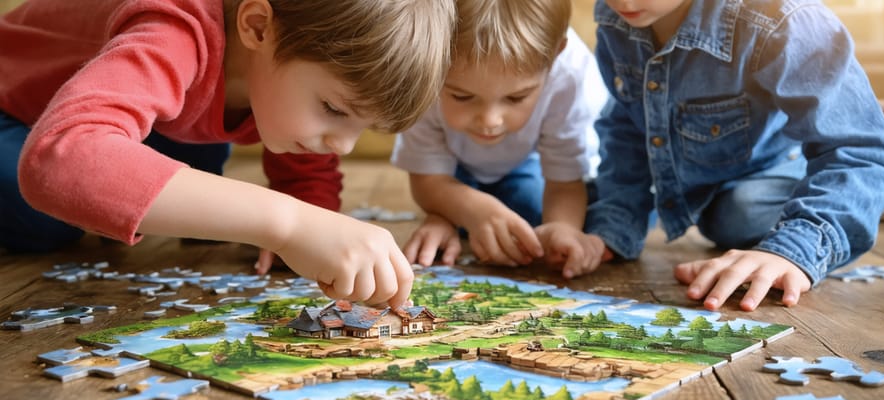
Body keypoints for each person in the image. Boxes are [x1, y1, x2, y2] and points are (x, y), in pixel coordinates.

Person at [0, 0, 457, 310]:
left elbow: (305, 171)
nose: (344, 144)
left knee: (210, 175)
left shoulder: (276, 63)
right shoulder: (175, 27)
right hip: (13, 112)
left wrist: (315, 225)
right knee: (44, 218)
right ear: (257, 26)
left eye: (363, 126)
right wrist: (290, 224)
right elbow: (61, 161)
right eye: (334, 109)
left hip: (134, 119)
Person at [586, 0, 884, 311]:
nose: (623, 1)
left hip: (784, 167)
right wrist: (613, 230)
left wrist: (791, 250)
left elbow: (862, 152)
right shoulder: (615, 20)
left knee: (739, 214)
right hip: (715, 182)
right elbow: (627, 127)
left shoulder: (786, 18)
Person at [392, 0, 610, 279]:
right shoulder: (423, 61)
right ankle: (450, 216)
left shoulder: (572, 76)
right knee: (496, 215)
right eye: (462, 96)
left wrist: (562, 227)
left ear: (555, 55)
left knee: (532, 210)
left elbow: (565, 180)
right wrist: (463, 211)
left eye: (516, 97)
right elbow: (427, 180)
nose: (490, 120)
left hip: (528, 161)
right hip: (453, 166)